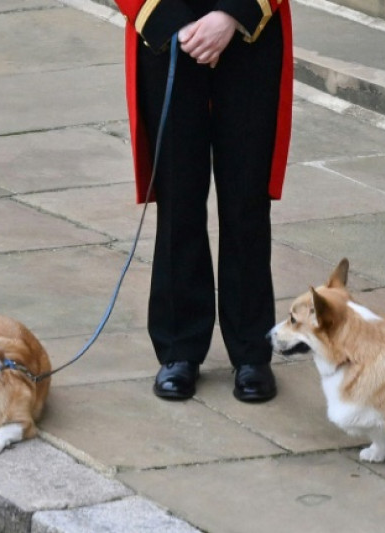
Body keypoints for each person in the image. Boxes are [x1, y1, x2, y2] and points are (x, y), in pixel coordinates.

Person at [112, 0, 293, 402]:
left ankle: (251, 351)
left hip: (251, 35)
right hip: (165, 32)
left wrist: (232, 15)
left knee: (247, 200)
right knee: (178, 200)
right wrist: (170, 22)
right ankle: (178, 348)